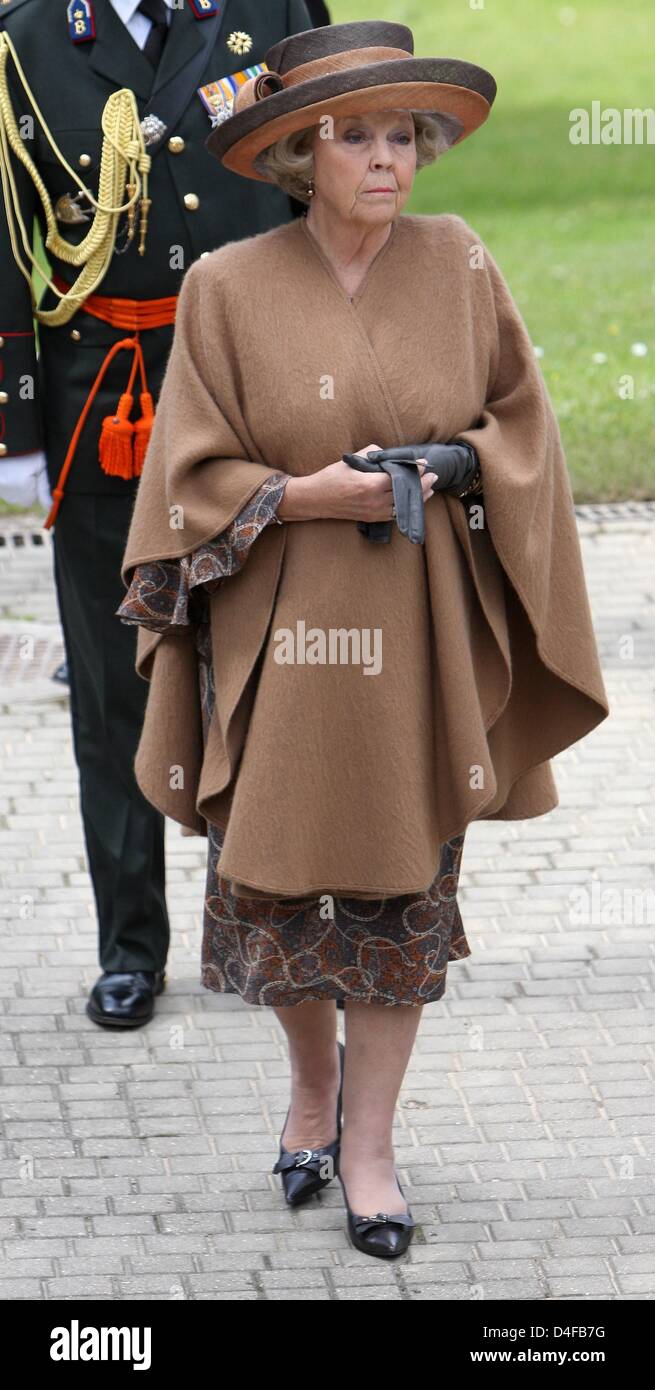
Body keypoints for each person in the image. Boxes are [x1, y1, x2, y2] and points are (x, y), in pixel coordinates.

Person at [116, 19, 610, 1258]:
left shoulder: (458, 265)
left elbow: (523, 430)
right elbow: (183, 478)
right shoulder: (225, 287)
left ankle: (373, 1150)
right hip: (276, 639)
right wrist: (294, 495)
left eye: (404, 136)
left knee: (399, 891)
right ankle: (309, 1093)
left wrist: (455, 460)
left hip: (420, 636)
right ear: (300, 155)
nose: (385, 159)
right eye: (356, 137)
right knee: (277, 891)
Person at [0, 0, 321, 1028]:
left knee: (269, 673)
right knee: (113, 686)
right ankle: (130, 944)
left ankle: (264, 929)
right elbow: (5, 241)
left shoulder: (270, 9)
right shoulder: (32, 39)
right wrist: (17, 427)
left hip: (256, 388)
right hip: (109, 396)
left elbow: (322, 188)